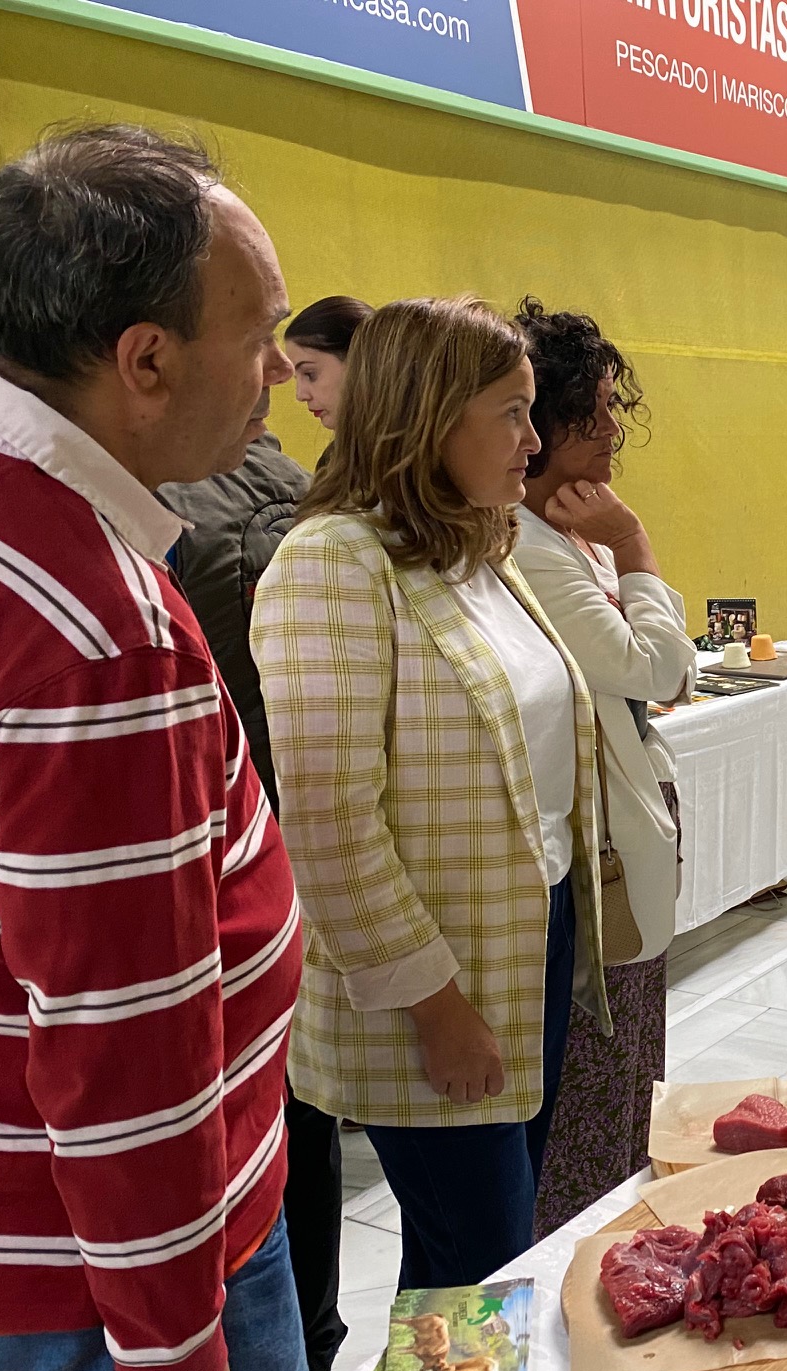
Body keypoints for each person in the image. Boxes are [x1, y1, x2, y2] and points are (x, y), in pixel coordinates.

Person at [0, 124, 311, 1371]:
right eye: (264, 332)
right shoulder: (92, 628)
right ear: (146, 359)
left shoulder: (14, 520)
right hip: (116, 1286)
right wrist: (171, 1349)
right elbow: (121, 1028)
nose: (283, 372)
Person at [252, 297, 606, 1290]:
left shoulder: (474, 546)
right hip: (433, 978)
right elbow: (327, 821)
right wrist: (434, 1005)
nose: (534, 443)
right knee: (475, 1259)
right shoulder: (334, 561)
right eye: (512, 412)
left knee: (493, 1246)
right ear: (428, 413)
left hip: (529, 934)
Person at [157, 415, 351, 1371]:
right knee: (290, 1143)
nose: (277, 372)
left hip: (244, 878)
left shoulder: (174, 511)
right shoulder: (284, 497)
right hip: (258, 884)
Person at [509, 297, 695, 1238]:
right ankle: (588, 1253)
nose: (617, 430)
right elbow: (660, 667)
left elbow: (663, 673)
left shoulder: (559, 539)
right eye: (598, 412)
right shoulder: (535, 547)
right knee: (601, 1071)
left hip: (621, 829)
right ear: (543, 429)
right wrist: (633, 544)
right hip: (597, 856)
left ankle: (616, 1234)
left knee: (628, 1067)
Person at [283, 294, 372, 436]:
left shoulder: (412, 452)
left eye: (310, 374)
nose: (300, 395)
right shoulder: (338, 454)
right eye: (296, 378)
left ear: (359, 361)